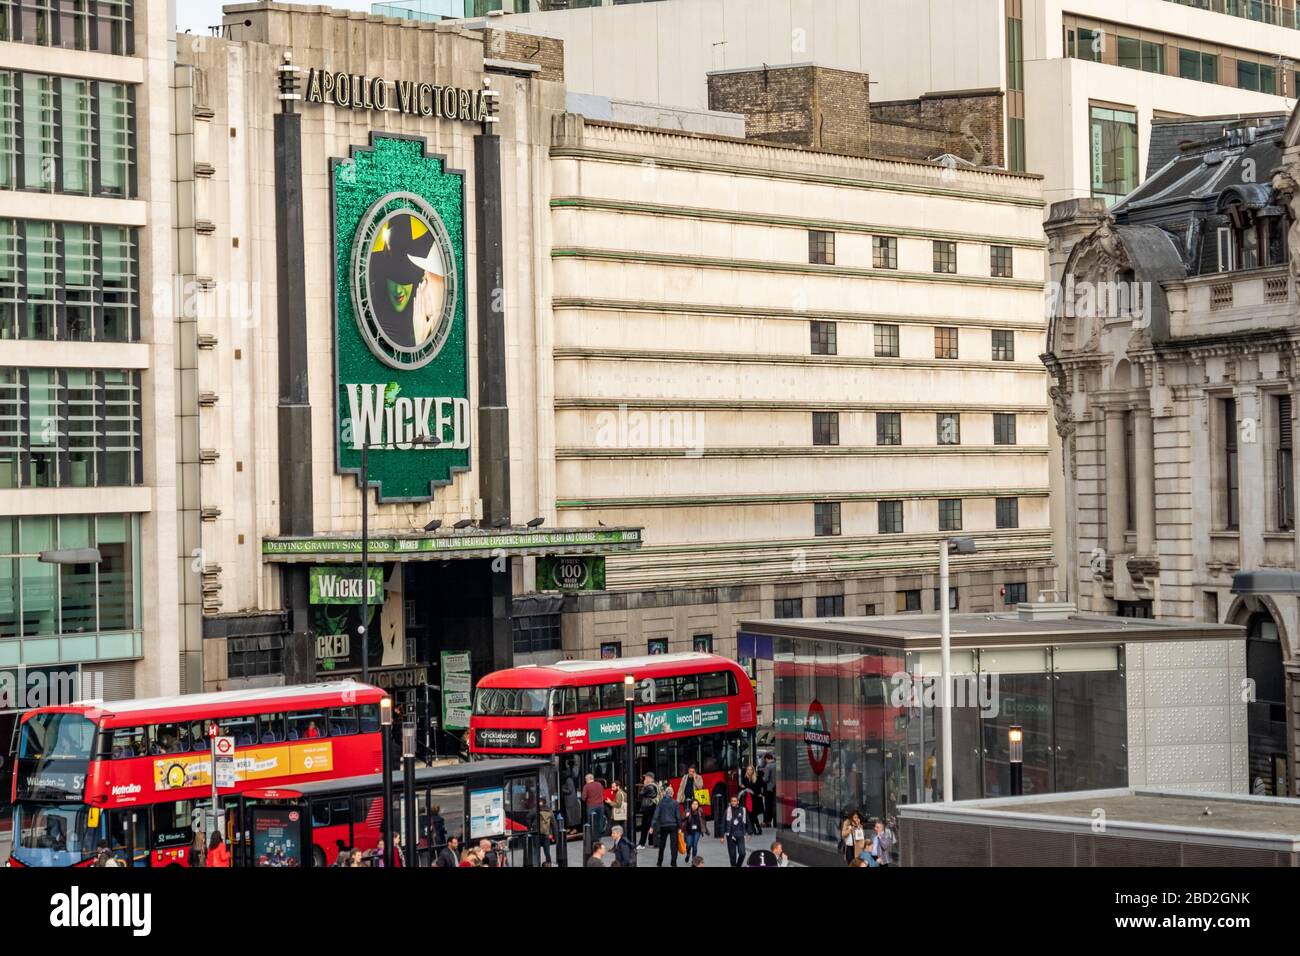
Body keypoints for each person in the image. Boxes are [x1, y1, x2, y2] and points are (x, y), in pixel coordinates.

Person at [649, 787, 682, 867]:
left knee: (662, 845)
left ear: (665, 793)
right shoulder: (675, 803)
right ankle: (673, 863)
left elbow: (656, 815)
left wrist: (652, 827)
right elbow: (678, 816)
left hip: (663, 826)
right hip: (673, 826)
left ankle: (659, 862)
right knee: (673, 846)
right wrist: (680, 827)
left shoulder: (660, 803)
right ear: (672, 793)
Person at [720, 794, 748, 867]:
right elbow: (723, 823)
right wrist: (722, 836)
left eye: (735, 801)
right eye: (732, 801)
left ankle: (738, 865)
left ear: (738, 802)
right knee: (732, 854)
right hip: (730, 835)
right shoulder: (728, 810)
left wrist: (750, 832)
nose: (733, 802)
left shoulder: (742, 810)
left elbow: (746, 821)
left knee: (742, 853)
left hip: (740, 834)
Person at [581, 772, 606, 837]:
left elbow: (583, 798)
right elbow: (602, 793)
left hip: (591, 807)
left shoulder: (586, 786)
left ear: (587, 779)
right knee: (600, 821)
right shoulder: (599, 784)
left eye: (585, 780)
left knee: (591, 822)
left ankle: (592, 836)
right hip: (600, 806)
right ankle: (599, 835)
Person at [637, 773, 659, 848]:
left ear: (650, 778)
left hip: (648, 808)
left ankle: (642, 843)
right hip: (652, 807)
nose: (645, 779)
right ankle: (651, 841)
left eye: (646, 778)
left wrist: (644, 785)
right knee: (651, 825)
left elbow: (640, 794)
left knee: (644, 826)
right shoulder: (655, 785)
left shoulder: (649, 787)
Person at [682, 799, 705, 863]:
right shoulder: (687, 811)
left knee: (695, 845)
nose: (695, 805)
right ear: (691, 805)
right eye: (693, 804)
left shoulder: (700, 812)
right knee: (688, 845)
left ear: (698, 805)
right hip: (688, 831)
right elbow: (682, 819)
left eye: (696, 804)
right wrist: (686, 816)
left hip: (697, 831)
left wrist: (705, 830)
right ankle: (688, 854)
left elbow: (703, 821)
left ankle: (694, 860)